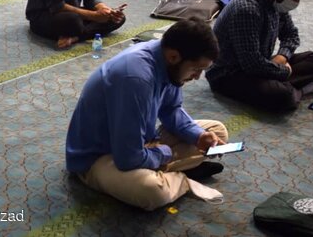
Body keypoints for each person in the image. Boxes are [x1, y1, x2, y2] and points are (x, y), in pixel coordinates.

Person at [66, 18, 229, 211]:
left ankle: (165, 170)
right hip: (99, 158)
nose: (197, 77)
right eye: (196, 69)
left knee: (216, 133)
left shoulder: (166, 59)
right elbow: (127, 158)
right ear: (174, 56)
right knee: (152, 190)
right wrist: (165, 153)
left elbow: (171, 109)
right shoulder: (135, 78)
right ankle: (180, 178)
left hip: (139, 142)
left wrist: (199, 136)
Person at [206, 0, 313, 112]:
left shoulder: (276, 0)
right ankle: (298, 90)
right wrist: (284, 71)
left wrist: (282, 56)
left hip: (262, 63)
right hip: (230, 74)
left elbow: (291, 35)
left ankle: (288, 85)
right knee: (282, 97)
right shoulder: (248, 9)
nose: (297, 2)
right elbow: (251, 65)